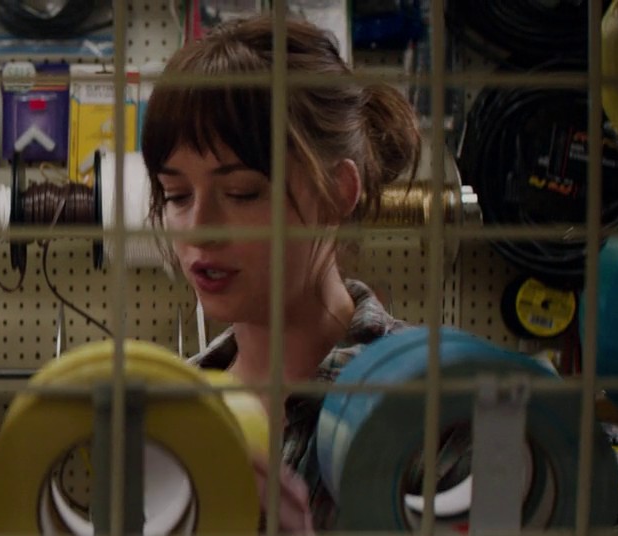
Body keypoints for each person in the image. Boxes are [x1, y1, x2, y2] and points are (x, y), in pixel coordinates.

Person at [141, 14, 420, 533]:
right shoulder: (172, 415)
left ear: (337, 192)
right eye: (177, 195)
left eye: (242, 192)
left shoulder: (429, 405)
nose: (199, 229)